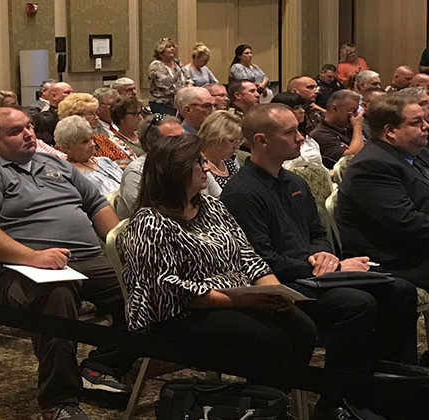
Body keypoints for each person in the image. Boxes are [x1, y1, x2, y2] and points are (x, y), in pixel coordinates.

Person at [222, 103, 418, 419]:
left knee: (400, 290)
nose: (301, 138)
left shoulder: (295, 182)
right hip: (280, 283)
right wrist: (333, 266)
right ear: (261, 141)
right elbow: (259, 259)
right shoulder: (242, 192)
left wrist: (326, 253)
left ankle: (390, 388)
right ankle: (335, 400)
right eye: (290, 132)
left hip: (315, 273)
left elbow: (317, 232)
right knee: (355, 303)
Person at [0, 107, 136, 420]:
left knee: (142, 281)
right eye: (16, 131)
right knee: (56, 293)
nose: (29, 134)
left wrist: (122, 249)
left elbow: (96, 203)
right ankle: (59, 401)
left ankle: (101, 367)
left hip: (82, 260)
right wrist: (32, 257)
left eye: (30, 127)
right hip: (7, 270)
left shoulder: (52, 164)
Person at [120, 136, 316, 387]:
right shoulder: (149, 222)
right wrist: (240, 299)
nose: (207, 167)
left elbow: (247, 254)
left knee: (303, 328)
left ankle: (272, 399)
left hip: (235, 297)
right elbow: (164, 291)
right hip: (177, 315)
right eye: (198, 162)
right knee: (267, 339)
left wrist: (274, 291)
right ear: (175, 169)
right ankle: (259, 403)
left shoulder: (212, 206)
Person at [338, 93, 429, 288]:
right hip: (398, 261)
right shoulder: (372, 166)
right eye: (416, 122)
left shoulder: (417, 152)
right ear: (391, 131)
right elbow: (407, 224)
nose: (426, 126)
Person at [115, 114, 184, 219]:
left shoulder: (191, 162)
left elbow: (214, 196)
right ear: (152, 145)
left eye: (183, 138)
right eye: (174, 140)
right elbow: (145, 217)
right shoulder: (136, 172)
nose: (183, 144)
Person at [54, 116, 122, 197]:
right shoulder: (70, 175)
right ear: (67, 148)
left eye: (91, 139)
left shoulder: (105, 161)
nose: (92, 144)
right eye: (85, 142)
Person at [58, 93, 134, 164]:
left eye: (96, 113)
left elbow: (124, 160)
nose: (96, 118)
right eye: (91, 114)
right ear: (74, 116)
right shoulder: (65, 146)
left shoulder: (102, 139)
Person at [309, 89, 364, 169]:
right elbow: (352, 157)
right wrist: (357, 128)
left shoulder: (349, 126)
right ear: (334, 108)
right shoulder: (320, 134)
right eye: (352, 111)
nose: (356, 116)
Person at [270, 92, 324, 169]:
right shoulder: (277, 140)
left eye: (302, 107)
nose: (302, 111)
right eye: (296, 108)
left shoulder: (308, 138)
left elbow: (321, 167)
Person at [198, 110, 243, 189]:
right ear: (215, 136)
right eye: (232, 141)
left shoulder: (229, 163)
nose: (236, 147)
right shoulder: (199, 168)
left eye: (238, 142)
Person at [148, 37, 192, 115]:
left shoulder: (177, 62)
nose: (172, 49)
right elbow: (167, 85)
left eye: (173, 47)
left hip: (180, 102)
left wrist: (189, 87)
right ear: (161, 51)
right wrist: (185, 94)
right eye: (168, 47)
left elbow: (188, 78)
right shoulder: (156, 65)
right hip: (164, 105)